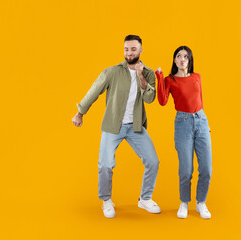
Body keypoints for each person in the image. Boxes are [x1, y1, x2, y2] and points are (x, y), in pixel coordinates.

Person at [72, 35, 160, 218]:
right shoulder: (112, 72)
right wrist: (80, 113)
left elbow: (150, 99)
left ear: (141, 50)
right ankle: (106, 200)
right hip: (113, 126)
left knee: (153, 161)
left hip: (135, 126)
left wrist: (141, 75)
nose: (129, 53)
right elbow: (94, 91)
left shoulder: (149, 73)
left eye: (133, 49)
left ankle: (145, 199)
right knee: (105, 165)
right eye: (126, 49)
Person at [155, 46, 212, 219]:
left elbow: (200, 100)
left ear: (190, 60)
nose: (182, 59)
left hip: (201, 121)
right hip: (183, 123)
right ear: (174, 59)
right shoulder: (170, 80)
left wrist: (205, 123)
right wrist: (159, 77)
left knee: (207, 168)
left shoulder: (197, 77)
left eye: (185, 57)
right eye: (178, 56)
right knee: (186, 169)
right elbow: (163, 101)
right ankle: (184, 202)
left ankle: (201, 202)